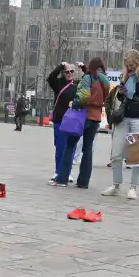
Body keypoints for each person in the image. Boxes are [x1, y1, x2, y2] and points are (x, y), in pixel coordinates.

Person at [102, 49, 139, 199]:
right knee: (116, 153)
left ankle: (133, 187)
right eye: (127, 65)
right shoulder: (126, 76)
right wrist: (121, 92)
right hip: (124, 117)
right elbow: (122, 97)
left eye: (132, 65)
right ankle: (116, 184)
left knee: (137, 154)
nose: (130, 67)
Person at [54, 57, 110, 188]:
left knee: (70, 146)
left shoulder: (87, 78)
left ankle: (62, 179)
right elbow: (105, 95)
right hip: (96, 117)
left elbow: (84, 95)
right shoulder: (105, 80)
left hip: (83, 115)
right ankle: (83, 182)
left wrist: (75, 103)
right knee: (88, 149)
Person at [46, 62, 79, 179]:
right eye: (67, 71)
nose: (69, 73)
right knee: (60, 147)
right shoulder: (59, 83)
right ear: (63, 73)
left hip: (73, 121)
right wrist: (60, 66)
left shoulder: (78, 84)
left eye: (71, 71)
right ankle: (58, 170)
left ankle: (67, 172)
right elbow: (50, 78)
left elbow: (90, 81)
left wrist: (84, 68)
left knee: (70, 147)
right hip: (60, 119)